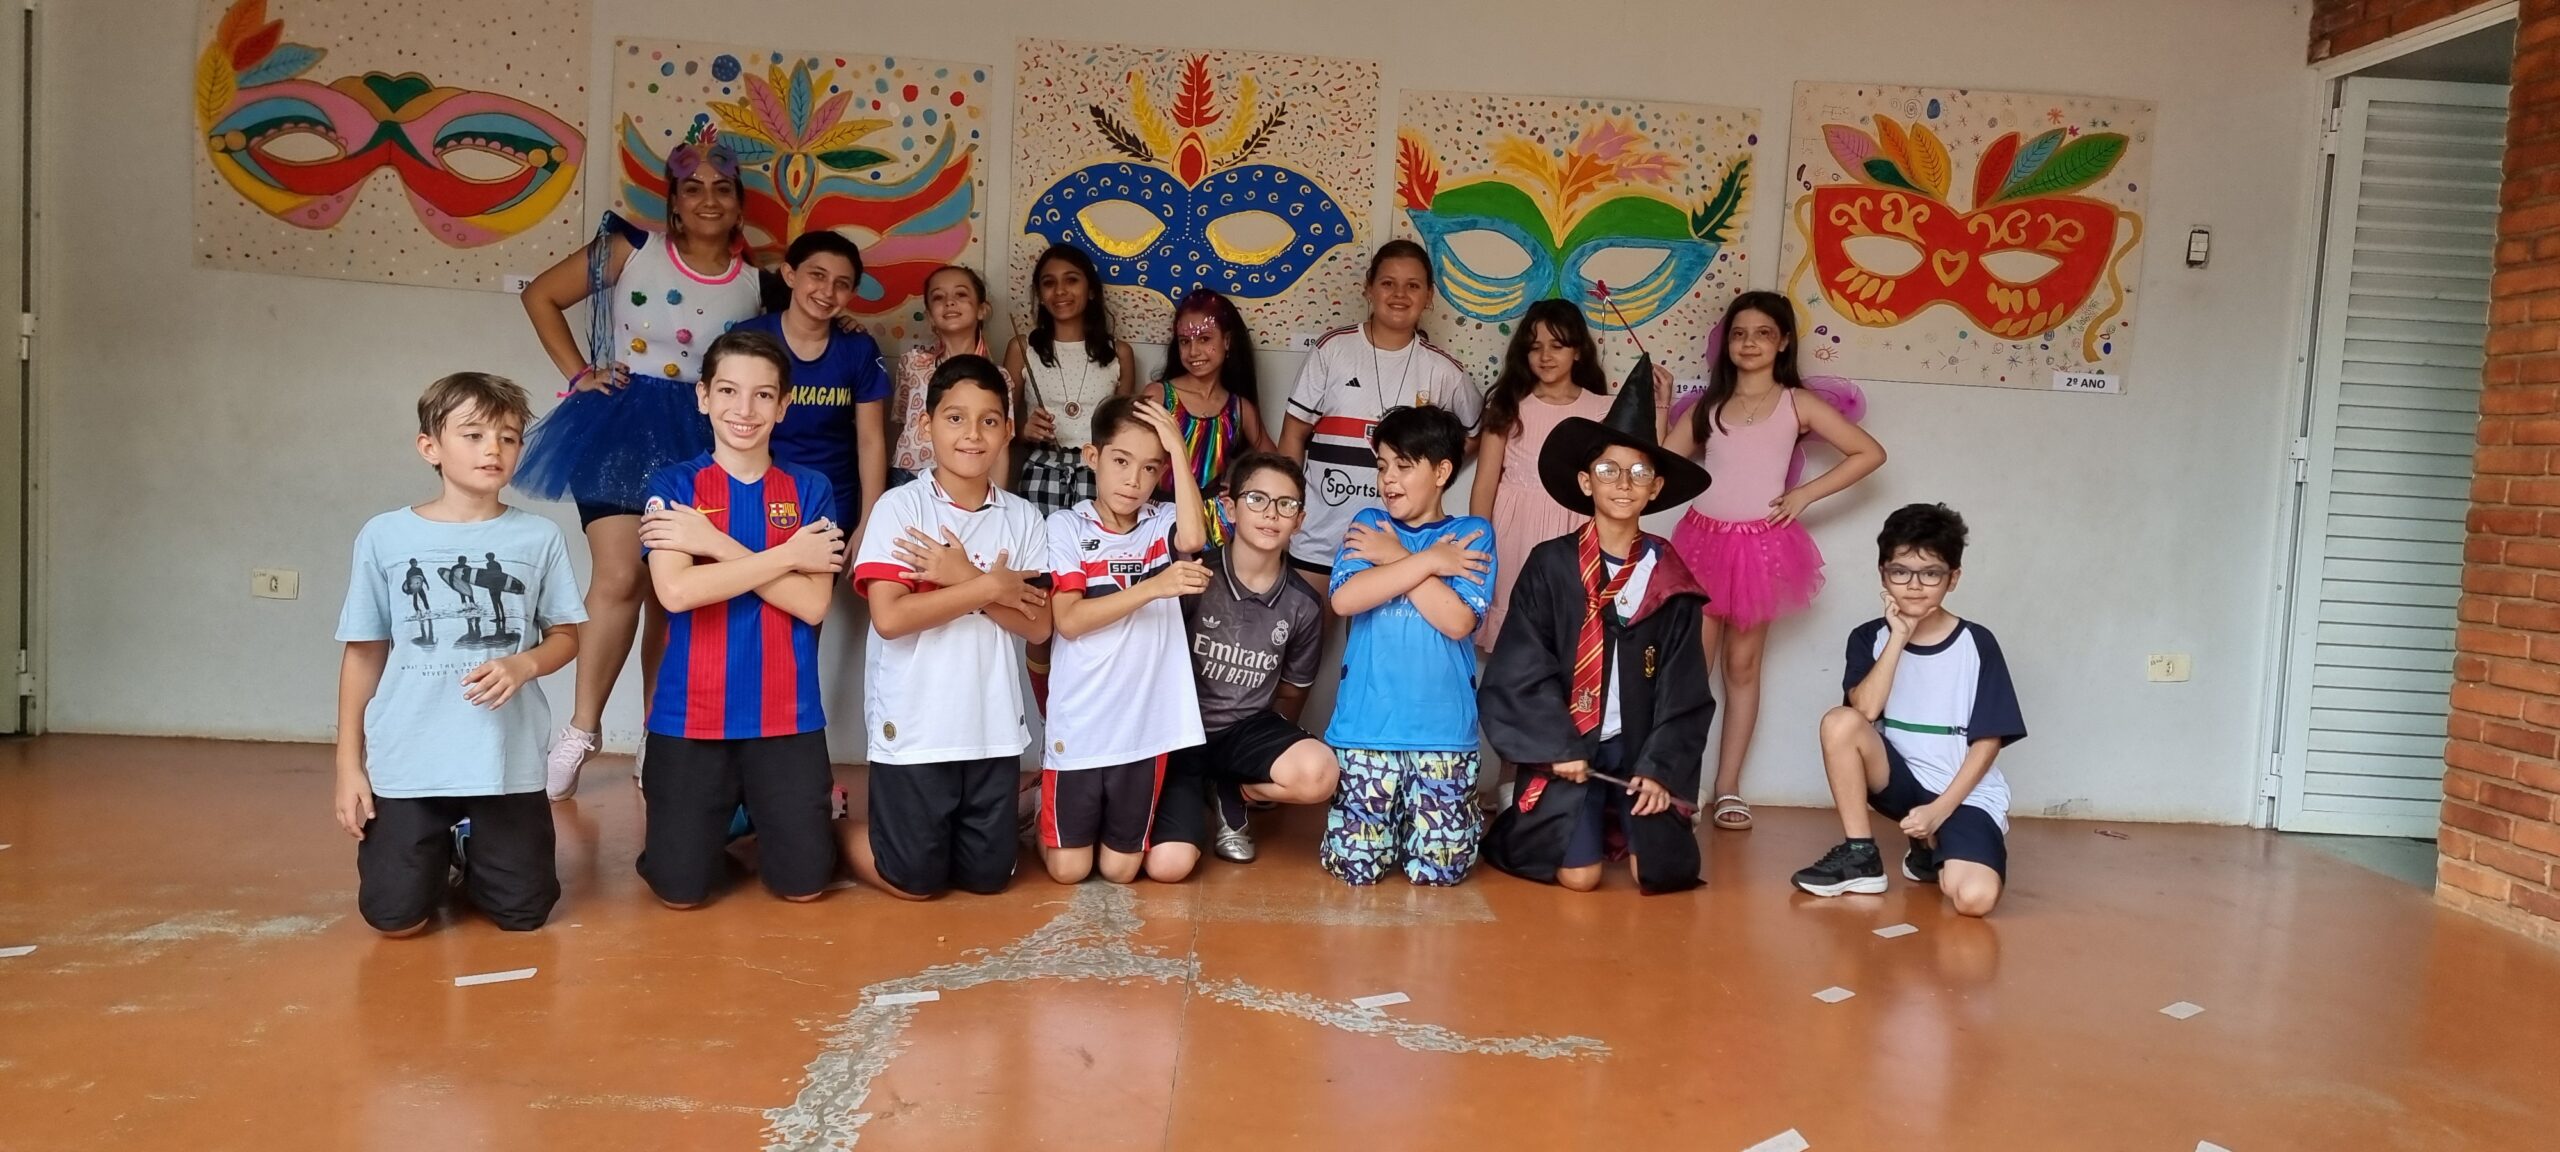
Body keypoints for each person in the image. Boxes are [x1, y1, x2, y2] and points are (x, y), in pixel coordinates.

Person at [516, 135, 765, 799]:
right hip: (621, 427)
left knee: (670, 588)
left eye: (722, 189)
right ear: (674, 202)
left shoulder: (757, 282)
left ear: (740, 205)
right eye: (693, 188)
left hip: (701, 434)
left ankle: (660, 734)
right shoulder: (631, 247)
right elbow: (540, 296)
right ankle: (581, 729)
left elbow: (796, 337)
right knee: (620, 575)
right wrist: (580, 375)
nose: (708, 200)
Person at [334, 372, 583, 935]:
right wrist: (349, 766)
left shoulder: (538, 538)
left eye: (508, 437)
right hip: (410, 758)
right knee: (395, 920)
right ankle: (437, 847)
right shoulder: (384, 536)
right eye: (473, 435)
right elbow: (363, 654)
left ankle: (472, 844)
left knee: (523, 915)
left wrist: (525, 663)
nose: (493, 449)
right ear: (430, 447)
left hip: (505, 759)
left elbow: (567, 636)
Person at [630, 329, 847, 909]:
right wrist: (787, 557)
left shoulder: (811, 488)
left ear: (783, 405)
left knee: (804, 886)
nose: (744, 410)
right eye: (728, 391)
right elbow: (677, 591)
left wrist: (712, 543)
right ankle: (725, 824)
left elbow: (813, 604)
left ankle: (764, 820)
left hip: (787, 716)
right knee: (680, 892)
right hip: (690, 715)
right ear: (703, 396)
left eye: (762, 395)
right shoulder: (673, 485)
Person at [1479, 359, 1714, 894]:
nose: (1623, 484)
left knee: (1654, 872)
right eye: (1608, 470)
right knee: (1579, 877)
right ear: (1586, 481)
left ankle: (1637, 807)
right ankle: (1529, 813)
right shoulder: (1551, 565)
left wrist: (1660, 769)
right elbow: (1520, 667)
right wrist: (1556, 746)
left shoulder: (1669, 575)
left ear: (1656, 487)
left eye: (1639, 473)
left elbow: (1685, 691)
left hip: (1638, 750)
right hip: (1570, 744)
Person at [1662, 290, 1885, 831]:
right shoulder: (1708, 406)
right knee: (1691, 672)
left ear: (1783, 341)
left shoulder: (1797, 404)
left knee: (1742, 669)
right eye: (1739, 334)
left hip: (1758, 549)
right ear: (1726, 343)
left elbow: (1869, 453)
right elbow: (1663, 463)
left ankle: (1728, 787)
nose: (1749, 343)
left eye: (1763, 333)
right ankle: (1678, 786)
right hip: (1701, 544)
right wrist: (1660, 403)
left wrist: (1805, 494)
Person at [841, 354, 1052, 899]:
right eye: (955, 418)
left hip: (991, 727)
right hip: (916, 727)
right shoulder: (900, 508)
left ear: (1007, 430)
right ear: (925, 424)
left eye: (989, 420)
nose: (972, 435)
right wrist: (988, 588)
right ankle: (834, 826)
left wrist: (960, 576)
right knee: (914, 881)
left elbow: (1038, 627)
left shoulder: (1022, 518)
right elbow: (891, 618)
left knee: (988, 880)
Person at [1790, 504, 2024, 918]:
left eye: (1930, 573)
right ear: (1883, 574)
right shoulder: (1868, 637)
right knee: (1840, 722)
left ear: (1953, 578)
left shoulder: (1977, 643)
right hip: (1899, 780)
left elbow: (1988, 743)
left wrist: (1938, 811)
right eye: (1900, 572)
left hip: (1960, 793)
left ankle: (1929, 844)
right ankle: (1861, 855)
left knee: (1973, 898)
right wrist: (1899, 636)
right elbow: (1863, 711)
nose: (1914, 586)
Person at [1318, 405, 1495, 886]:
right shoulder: (1370, 522)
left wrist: (1394, 558)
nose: (1388, 479)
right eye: (1382, 466)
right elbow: (1346, 599)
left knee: (1441, 873)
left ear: (1441, 472)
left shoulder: (1471, 534)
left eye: (1403, 465)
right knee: (1354, 868)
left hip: (1442, 736)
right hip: (1365, 731)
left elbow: (1457, 620)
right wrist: (1431, 563)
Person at [1038, 395, 1211, 884]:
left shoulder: (1161, 521)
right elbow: (1070, 620)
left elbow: (1193, 540)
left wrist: (1179, 450)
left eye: (1150, 468)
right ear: (1092, 457)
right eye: (1121, 461)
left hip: (1143, 728)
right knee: (1069, 871)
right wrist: (1154, 587)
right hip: (1081, 721)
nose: (1134, 480)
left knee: (1120, 870)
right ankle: (1041, 818)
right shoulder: (1067, 526)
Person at [1154, 452, 1339, 876]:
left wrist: (1268, 753)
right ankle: (1198, 794)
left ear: (1300, 520)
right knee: (1169, 866)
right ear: (1230, 507)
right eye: (1257, 499)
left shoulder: (1304, 604)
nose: (1271, 514)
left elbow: (1291, 691)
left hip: (1244, 732)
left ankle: (1233, 790)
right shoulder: (1195, 577)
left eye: (1286, 505)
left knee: (1320, 774)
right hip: (1179, 730)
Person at [1279, 241, 1483, 609]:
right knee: (1304, 641)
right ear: (1369, 288)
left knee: (1378, 640)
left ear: (1429, 296)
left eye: (1413, 285)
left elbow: (1475, 434)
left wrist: (1431, 474)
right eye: (1388, 283)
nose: (1400, 294)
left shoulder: (1444, 371)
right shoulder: (1332, 350)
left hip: (1399, 544)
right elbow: (1293, 434)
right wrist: (1289, 509)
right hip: (1319, 536)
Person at [1468, 298, 1619, 650]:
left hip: (1575, 531)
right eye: (1535, 347)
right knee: (1514, 638)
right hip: (1514, 531)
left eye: (1557, 346)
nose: (1545, 356)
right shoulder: (1508, 404)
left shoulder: (1602, 408)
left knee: (1567, 634)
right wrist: (1478, 544)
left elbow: (1616, 480)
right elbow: (1485, 483)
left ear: (1578, 351)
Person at [737, 231, 893, 538]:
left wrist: (869, 523)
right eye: (817, 276)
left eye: (842, 284)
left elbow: (871, 441)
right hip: (753, 497)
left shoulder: (858, 348)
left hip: (831, 504)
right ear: (790, 274)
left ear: (852, 293)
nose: (827, 291)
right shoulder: (748, 341)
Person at [1005, 244, 1139, 517]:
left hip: (1100, 473)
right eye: (1049, 283)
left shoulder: (1120, 353)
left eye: (1072, 280)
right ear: (1040, 295)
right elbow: (998, 425)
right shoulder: (1022, 348)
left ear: (1091, 290)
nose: (1060, 291)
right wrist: (1024, 430)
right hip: (1040, 471)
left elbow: (1125, 432)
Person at [1155, 289, 1275, 547]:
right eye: (1184, 341)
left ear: (1227, 341)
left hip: (1215, 524)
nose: (1193, 351)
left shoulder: (1239, 408)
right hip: (1161, 515)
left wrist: (1242, 487)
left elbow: (1275, 464)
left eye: (1204, 339)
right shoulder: (1159, 396)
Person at [889, 265, 1011, 486]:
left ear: (982, 309)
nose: (949, 302)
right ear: (929, 316)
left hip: (969, 482)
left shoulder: (998, 377)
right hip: (908, 477)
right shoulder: (913, 363)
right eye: (938, 297)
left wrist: (994, 501)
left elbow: (1001, 448)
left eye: (961, 294)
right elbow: (901, 425)